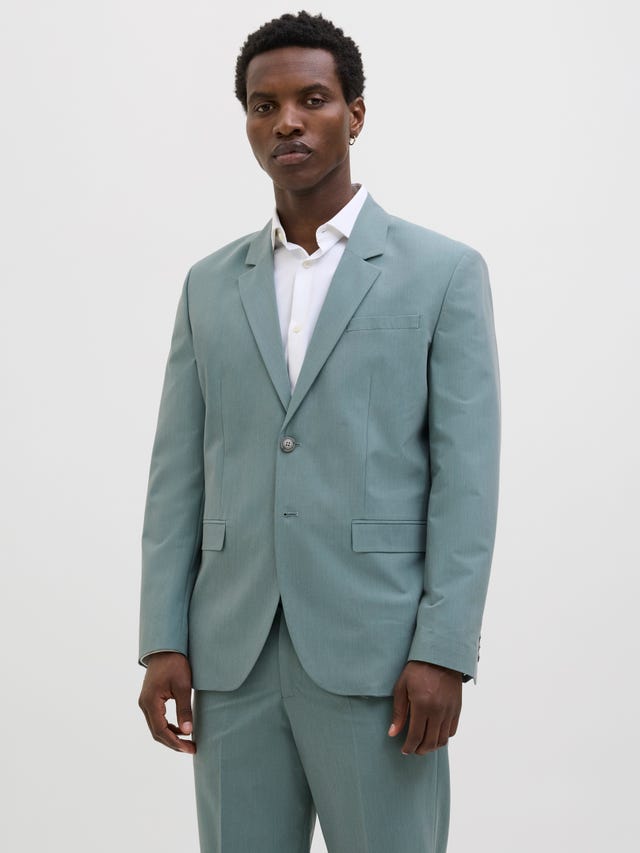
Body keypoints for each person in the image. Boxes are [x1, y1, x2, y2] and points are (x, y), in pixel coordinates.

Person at [137, 10, 501, 853]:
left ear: (355, 113)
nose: (287, 122)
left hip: (381, 659)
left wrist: (445, 648)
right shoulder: (208, 285)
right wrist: (162, 638)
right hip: (231, 657)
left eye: (312, 99)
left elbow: (467, 479)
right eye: (263, 107)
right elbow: (176, 474)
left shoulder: (442, 272)